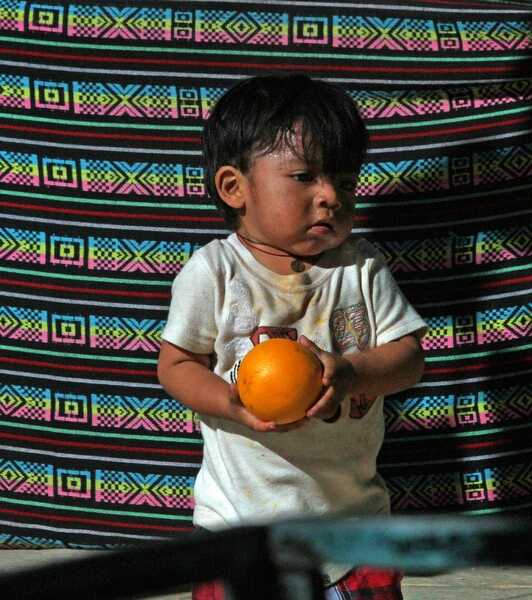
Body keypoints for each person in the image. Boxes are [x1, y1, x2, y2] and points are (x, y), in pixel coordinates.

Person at [157, 74, 427, 600]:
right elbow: (176, 364)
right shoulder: (214, 272)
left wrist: (351, 373)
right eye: (304, 177)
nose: (330, 197)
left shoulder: (361, 269)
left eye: (346, 182)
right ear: (234, 188)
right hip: (239, 528)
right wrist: (229, 402)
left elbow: (410, 359)